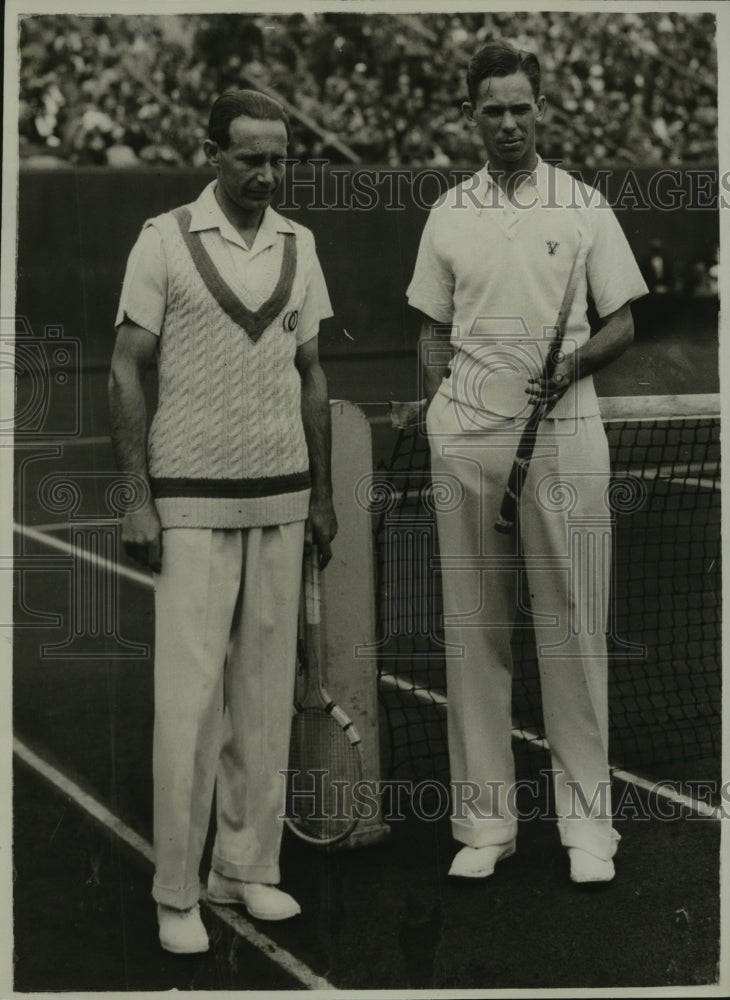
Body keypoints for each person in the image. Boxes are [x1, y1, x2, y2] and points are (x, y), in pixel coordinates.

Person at [406, 41, 648, 884]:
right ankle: (486, 826)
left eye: (521, 107)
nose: (508, 123)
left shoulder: (582, 206)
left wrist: (576, 364)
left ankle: (589, 831)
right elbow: (433, 333)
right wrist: (439, 418)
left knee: (573, 631)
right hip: (466, 448)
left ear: (540, 109)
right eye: (492, 109)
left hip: (565, 441)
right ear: (471, 115)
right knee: (475, 636)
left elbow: (622, 321)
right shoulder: (447, 213)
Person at [108, 89, 337, 954]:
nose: (267, 174)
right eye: (249, 158)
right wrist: (137, 496)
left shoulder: (301, 243)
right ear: (212, 153)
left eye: (278, 158)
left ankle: (244, 870)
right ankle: (177, 891)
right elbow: (126, 369)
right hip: (191, 503)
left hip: (282, 500)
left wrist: (320, 496)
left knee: (264, 701)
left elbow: (311, 371)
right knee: (189, 707)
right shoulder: (162, 240)